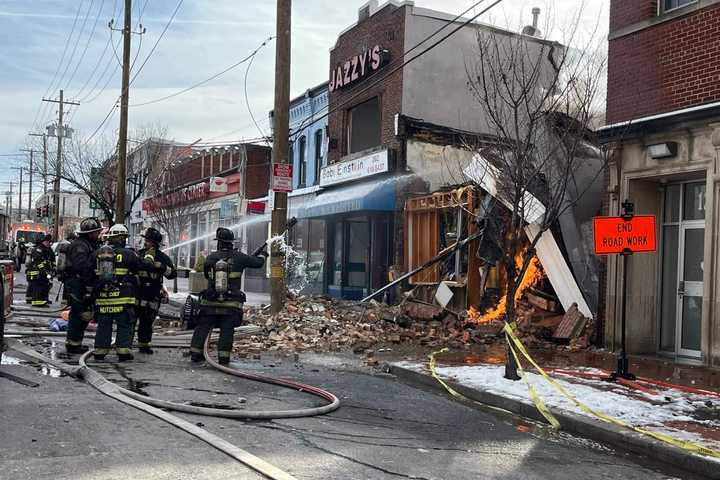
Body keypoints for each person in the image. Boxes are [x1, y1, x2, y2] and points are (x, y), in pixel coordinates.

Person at [189, 228, 266, 365]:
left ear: (218, 243)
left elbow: (207, 275)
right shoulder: (240, 257)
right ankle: (223, 358)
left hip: (210, 302)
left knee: (202, 327)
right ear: (231, 243)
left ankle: (195, 354)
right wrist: (263, 255)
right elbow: (258, 263)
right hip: (231, 304)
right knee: (227, 330)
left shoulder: (211, 257)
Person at [93, 224, 141, 362]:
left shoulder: (98, 254)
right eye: (125, 237)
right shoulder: (130, 254)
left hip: (103, 299)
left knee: (103, 325)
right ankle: (123, 351)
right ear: (122, 238)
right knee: (125, 324)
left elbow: (88, 271)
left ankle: (100, 351)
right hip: (123, 299)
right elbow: (140, 267)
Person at [64, 218, 103, 354]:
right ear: (90, 233)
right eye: (97, 232)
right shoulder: (80, 246)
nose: (99, 234)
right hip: (78, 285)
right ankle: (73, 345)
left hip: (83, 284)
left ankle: (75, 343)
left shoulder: (88, 244)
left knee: (84, 315)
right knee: (78, 315)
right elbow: (81, 266)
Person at [136, 227, 176, 354]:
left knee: (147, 321)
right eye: (146, 240)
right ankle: (124, 346)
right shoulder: (139, 254)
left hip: (153, 293)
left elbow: (172, 274)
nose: (146, 242)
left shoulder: (162, 257)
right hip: (137, 292)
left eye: (148, 240)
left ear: (155, 243)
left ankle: (144, 345)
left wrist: (162, 267)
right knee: (131, 320)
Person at [25, 235, 55, 307]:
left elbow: (52, 259)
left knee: (46, 286)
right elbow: (38, 262)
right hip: (38, 272)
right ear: (43, 242)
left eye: (49, 242)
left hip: (45, 272)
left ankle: (44, 301)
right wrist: (44, 271)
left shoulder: (49, 249)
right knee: (39, 287)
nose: (48, 243)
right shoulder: (39, 249)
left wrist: (54, 268)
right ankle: (38, 303)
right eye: (47, 242)